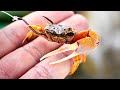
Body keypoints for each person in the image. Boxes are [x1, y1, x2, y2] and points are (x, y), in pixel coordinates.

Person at [0, 11, 89, 79]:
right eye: (53, 33)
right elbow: (34, 29)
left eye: (62, 35)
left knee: (79, 52)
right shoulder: (44, 32)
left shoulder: (74, 38)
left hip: (68, 39)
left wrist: (82, 53)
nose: (58, 37)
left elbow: (82, 46)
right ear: (48, 30)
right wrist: (28, 38)